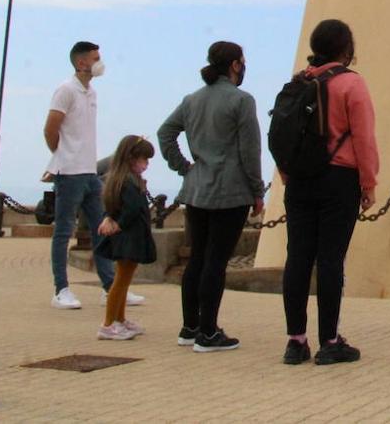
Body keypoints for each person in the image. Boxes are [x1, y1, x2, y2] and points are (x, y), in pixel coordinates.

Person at [281, 19, 379, 366]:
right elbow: (364, 138)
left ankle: (295, 341)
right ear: (346, 49)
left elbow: (282, 136)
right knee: (330, 260)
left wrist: (287, 175)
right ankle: (330, 341)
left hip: (299, 181)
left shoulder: (298, 82)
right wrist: (368, 183)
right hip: (338, 179)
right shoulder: (351, 84)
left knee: (297, 258)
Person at [158, 41, 265, 353]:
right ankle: (208, 332)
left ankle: (189, 327)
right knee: (216, 262)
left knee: (198, 259)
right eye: (243, 61)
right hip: (230, 192)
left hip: (197, 189)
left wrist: (184, 168)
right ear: (234, 64)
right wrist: (257, 190)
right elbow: (250, 150)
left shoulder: (192, 100)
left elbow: (165, 133)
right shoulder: (242, 101)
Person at [44, 41, 137, 310]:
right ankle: (61, 290)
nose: (100, 62)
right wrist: (62, 155)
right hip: (69, 172)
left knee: (102, 229)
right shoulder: (65, 90)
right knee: (63, 231)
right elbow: (50, 129)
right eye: (95, 58)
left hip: (89, 173)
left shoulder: (91, 92)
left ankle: (111, 288)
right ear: (81, 62)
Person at [95, 135, 158, 340]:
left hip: (127, 237)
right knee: (121, 281)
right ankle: (108, 324)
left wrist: (111, 219)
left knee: (124, 281)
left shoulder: (119, 181)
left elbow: (113, 206)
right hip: (129, 238)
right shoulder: (129, 183)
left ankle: (120, 320)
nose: (146, 164)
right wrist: (118, 223)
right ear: (132, 158)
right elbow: (131, 210)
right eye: (144, 160)